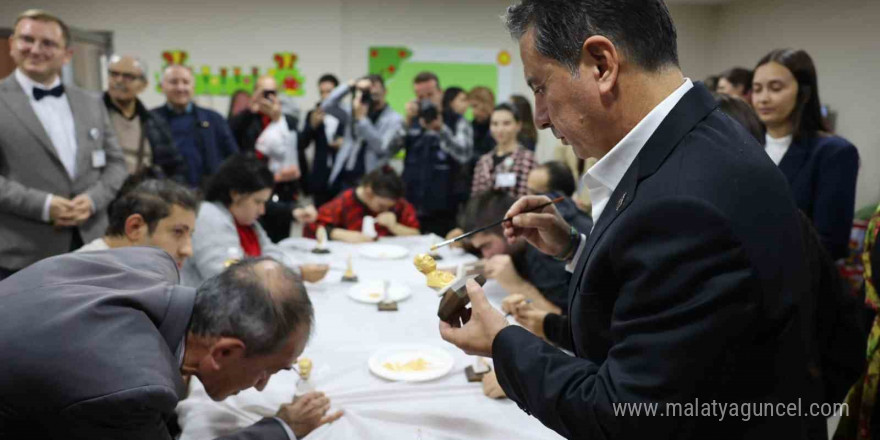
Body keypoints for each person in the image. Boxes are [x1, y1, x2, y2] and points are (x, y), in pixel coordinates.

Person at [439, 1, 824, 438]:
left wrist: (502, 344)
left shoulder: (685, 203)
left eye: (541, 86)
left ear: (602, 64)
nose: (540, 116)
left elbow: (623, 415)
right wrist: (574, 248)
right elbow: (660, 306)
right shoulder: (700, 137)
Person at [0, 248, 342, 438]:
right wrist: (282, 428)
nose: (260, 386)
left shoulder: (152, 261)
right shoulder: (135, 387)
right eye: (266, 373)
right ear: (224, 352)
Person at [0, 10, 128, 279]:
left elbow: (116, 163)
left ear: (67, 54)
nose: (36, 50)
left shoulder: (91, 102)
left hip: (92, 244)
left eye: (47, 43)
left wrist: (93, 200)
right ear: (12, 44)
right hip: (23, 252)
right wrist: (44, 204)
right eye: (27, 40)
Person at [751, 48, 860, 260]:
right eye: (756, 89)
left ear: (803, 92)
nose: (763, 98)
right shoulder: (744, 144)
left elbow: (830, 244)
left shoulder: (834, 152)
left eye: (775, 88)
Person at [182, 155, 328, 286]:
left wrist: (296, 271)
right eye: (258, 202)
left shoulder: (245, 221)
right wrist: (297, 274)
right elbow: (229, 278)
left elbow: (270, 253)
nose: (262, 210)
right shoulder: (210, 218)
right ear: (235, 194)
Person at [463, 191, 568, 313]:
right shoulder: (517, 250)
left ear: (508, 230)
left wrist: (518, 286)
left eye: (486, 245)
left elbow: (565, 322)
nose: (486, 255)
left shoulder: (544, 257)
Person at [229, 75, 305, 242]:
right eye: (264, 92)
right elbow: (231, 135)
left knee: (280, 239)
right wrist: (251, 109)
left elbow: (297, 148)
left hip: (282, 189)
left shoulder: (288, 120)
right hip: (253, 188)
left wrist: (278, 119)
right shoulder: (246, 119)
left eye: (273, 92)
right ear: (255, 93)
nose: (269, 97)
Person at [397, 72, 474, 236]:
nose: (426, 99)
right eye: (420, 96)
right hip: (411, 203)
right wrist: (407, 122)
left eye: (430, 94)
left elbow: (465, 155)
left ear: (441, 92)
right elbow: (388, 150)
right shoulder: (412, 121)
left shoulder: (457, 121)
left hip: (443, 207)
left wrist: (441, 130)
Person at [76, 179, 198, 268]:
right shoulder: (82, 275)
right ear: (135, 227)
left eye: (190, 235)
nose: (188, 250)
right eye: (178, 232)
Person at [152, 64, 239, 189]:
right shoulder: (151, 119)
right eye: (173, 82)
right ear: (162, 87)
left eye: (186, 82)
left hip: (208, 194)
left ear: (193, 86)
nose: (180, 87)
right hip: (165, 193)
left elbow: (233, 158)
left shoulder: (214, 119)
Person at [104, 54, 184, 181]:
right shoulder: (93, 114)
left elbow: (173, 167)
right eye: (114, 74)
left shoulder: (155, 122)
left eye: (128, 77)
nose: (119, 80)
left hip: (141, 195)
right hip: (100, 195)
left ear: (144, 85)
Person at [321, 74, 403, 195]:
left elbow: (382, 148)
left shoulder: (395, 119)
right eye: (369, 88)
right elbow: (327, 106)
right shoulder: (354, 111)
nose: (372, 91)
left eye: (375, 86)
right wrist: (349, 86)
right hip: (344, 176)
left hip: (370, 181)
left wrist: (362, 120)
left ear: (385, 91)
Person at [304, 167, 420, 243]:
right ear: (368, 193)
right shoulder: (345, 202)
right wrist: (340, 234)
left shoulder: (398, 204)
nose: (386, 210)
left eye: (390, 207)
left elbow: (417, 234)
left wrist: (395, 227)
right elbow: (313, 226)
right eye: (381, 206)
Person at [471, 103, 536, 199]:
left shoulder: (527, 159)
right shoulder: (483, 161)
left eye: (506, 123)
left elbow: (530, 199)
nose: (500, 129)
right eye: (495, 124)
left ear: (518, 125)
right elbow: (475, 199)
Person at [300, 74, 345, 207]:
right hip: (320, 176)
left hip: (342, 177)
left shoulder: (348, 114)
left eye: (329, 91)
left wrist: (345, 143)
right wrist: (312, 126)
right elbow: (302, 144)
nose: (325, 95)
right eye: (322, 92)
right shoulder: (313, 114)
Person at [526, 161, 593, 233]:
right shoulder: (590, 225)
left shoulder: (536, 228)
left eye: (533, 192)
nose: (526, 197)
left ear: (555, 196)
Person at [469, 86, 497, 157]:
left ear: (486, 104)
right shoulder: (471, 126)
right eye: (471, 107)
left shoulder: (500, 125)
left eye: (475, 106)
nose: (473, 112)